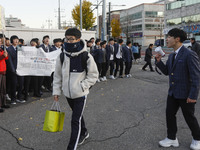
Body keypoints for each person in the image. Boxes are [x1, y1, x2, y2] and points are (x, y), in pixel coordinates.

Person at [53, 28, 98, 150]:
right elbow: (57, 75)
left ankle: (71, 147)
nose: (68, 41)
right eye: (66, 39)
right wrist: (56, 91)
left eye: (71, 39)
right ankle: (84, 132)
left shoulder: (86, 56)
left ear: (78, 39)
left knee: (74, 120)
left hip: (80, 94)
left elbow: (93, 75)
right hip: (68, 94)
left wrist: (82, 86)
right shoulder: (62, 56)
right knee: (77, 116)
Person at [155, 28, 200, 150]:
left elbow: (196, 77)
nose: (167, 39)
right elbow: (167, 72)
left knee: (189, 117)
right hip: (173, 93)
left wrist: (193, 95)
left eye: (169, 37)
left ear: (177, 39)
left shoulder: (189, 54)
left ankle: (197, 139)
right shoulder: (172, 55)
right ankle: (171, 138)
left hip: (186, 93)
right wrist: (158, 62)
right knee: (169, 115)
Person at [6, 35, 26, 104]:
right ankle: (13, 99)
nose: (16, 41)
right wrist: (13, 69)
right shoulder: (9, 49)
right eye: (15, 39)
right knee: (13, 85)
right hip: (13, 70)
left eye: (17, 39)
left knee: (21, 84)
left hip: (21, 69)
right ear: (12, 41)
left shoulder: (19, 48)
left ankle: (19, 97)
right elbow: (9, 60)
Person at [0, 37, 10, 112]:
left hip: (3, 71)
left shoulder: (2, 48)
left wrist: (5, 55)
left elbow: (6, 58)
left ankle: (3, 103)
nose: (0, 42)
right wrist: (3, 56)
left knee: (3, 88)